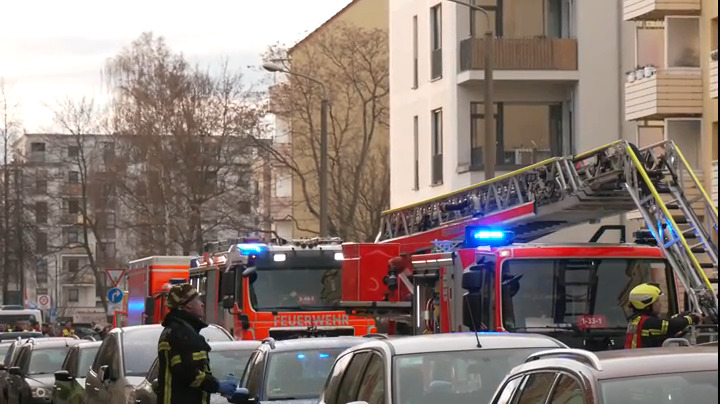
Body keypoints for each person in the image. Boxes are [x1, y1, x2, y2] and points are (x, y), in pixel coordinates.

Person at [157, 283, 236, 404]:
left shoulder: (173, 331)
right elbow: (187, 372)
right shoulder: (183, 334)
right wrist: (217, 385)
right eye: (198, 300)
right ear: (188, 306)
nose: (202, 304)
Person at [625, 282, 703, 349]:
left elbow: (667, 322)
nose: (660, 304)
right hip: (643, 360)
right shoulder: (648, 322)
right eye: (657, 301)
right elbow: (672, 325)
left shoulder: (638, 320)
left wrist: (683, 315)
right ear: (647, 304)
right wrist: (692, 318)